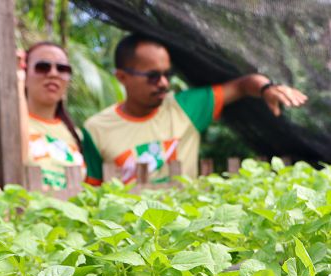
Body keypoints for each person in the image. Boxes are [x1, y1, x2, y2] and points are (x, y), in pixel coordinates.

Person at [81, 33, 308, 185]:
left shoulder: (185, 107)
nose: (163, 83)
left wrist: (266, 88)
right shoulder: (96, 128)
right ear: (122, 77)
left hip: (186, 231)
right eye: (152, 76)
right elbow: (92, 191)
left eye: (167, 74)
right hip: (128, 244)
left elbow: (242, 85)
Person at [0, 42, 85, 190]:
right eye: (42, 67)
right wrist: (17, 80)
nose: (53, 73)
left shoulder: (77, 134)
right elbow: (16, 157)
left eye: (62, 68)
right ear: (25, 72)